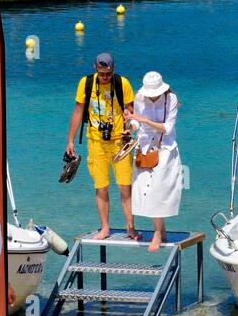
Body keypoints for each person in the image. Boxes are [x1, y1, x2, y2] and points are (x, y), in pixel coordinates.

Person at [64, 52, 138, 240]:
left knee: (124, 186)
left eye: (108, 73)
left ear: (113, 69)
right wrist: (70, 141)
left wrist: (130, 129)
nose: (105, 76)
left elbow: (131, 112)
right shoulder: (86, 83)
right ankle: (105, 228)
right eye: (102, 73)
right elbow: (78, 111)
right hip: (96, 142)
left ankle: (130, 227)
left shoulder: (123, 84)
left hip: (120, 143)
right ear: (95, 67)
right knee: (101, 186)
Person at [126, 71, 182, 252]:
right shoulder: (140, 97)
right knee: (146, 190)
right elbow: (137, 125)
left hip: (165, 149)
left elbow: (167, 127)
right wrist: (130, 125)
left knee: (158, 190)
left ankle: (157, 233)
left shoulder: (171, 98)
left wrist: (144, 119)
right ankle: (161, 230)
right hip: (144, 149)